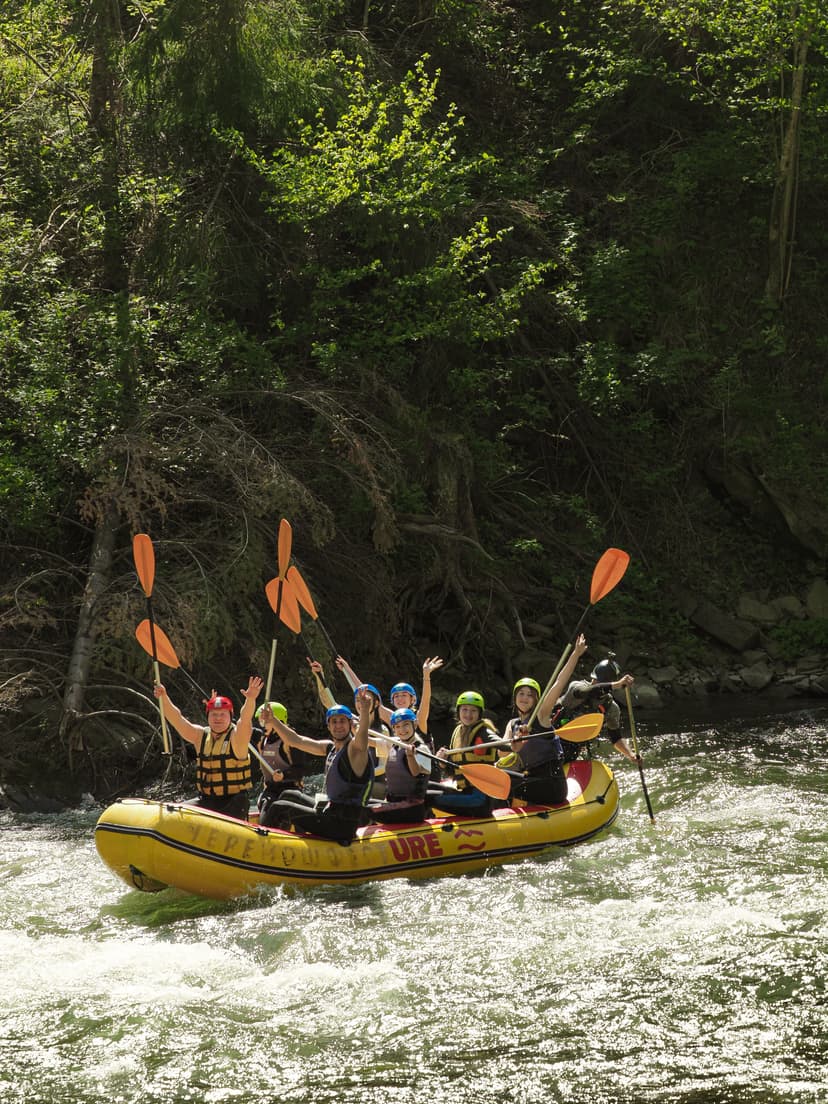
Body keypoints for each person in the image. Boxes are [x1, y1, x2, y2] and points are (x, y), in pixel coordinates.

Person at [263, 687, 375, 843]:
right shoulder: (330, 748)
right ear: (328, 726)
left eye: (342, 721)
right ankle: (295, 841)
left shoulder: (355, 750)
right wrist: (273, 721)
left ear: (350, 724)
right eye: (334, 722)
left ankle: (265, 846)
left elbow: (362, 738)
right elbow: (296, 741)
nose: (338, 725)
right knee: (288, 795)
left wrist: (364, 711)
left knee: (279, 807)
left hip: (343, 823)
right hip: (331, 812)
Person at [153, 676, 263, 820]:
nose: (218, 718)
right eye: (214, 714)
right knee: (172, 813)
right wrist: (164, 697)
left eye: (222, 714)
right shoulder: (200, 736)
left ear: (230, 717)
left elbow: (245, 719)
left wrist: (250, 699)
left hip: (233, 802)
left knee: (237, 803)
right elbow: (177, 719)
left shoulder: (238, 737)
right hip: (206, 800)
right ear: (208, 716)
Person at [505, 635, 589, 806]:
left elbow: (559, 682)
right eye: (521, 693)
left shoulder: (541, 714)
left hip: (552, 784)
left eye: (530, 695)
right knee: (500, 777)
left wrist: (575, 654)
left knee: (506, 783)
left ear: (536, 699)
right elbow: (503, 753)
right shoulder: (512, 725)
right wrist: (515, 745)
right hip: (530, 779)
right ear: (515, 698)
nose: (525, 698)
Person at [553, 654, 637, 763]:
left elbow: (616, 738)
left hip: (574, 748)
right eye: (595, 680)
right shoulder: (576, 687)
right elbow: (587, 692)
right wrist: (616, 684)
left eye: (600, 682)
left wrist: (631, 755)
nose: (595, 683)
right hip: (551, 739)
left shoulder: (610, 707)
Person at [428, 691, 500, 817]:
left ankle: (423, 829)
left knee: (428, 798)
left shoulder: (484, 732)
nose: (468, 714)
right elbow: (454, 772)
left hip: (480, 800)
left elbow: (499, 742)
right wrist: (442, 762)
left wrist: (512, 744)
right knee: (425, 788)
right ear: (458, 712)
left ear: (479, 714)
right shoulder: (457, 733)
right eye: (465, 709)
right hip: (466, 793)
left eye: (473, 711)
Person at [254, 701, 318, 829]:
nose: (262, 725)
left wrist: (284, 775)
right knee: (266, 803)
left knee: (287, 805)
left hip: (291, 790)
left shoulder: (290, 742)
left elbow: (301, 770)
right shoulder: (262, 740)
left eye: (265, 721)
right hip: (271, 790)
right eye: (261, 721)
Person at [369, 708, 432, 824]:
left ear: (415, 724)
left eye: (406, 725)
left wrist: (410, 756)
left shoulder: (421, 749)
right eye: (397, 727)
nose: (402, 730)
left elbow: (415, 772)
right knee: (361, 804)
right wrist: (357, 727)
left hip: (412, 807)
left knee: (367, 811)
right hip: (394, 803)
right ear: (393, 729)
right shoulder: (394, 744)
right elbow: (368, 741)